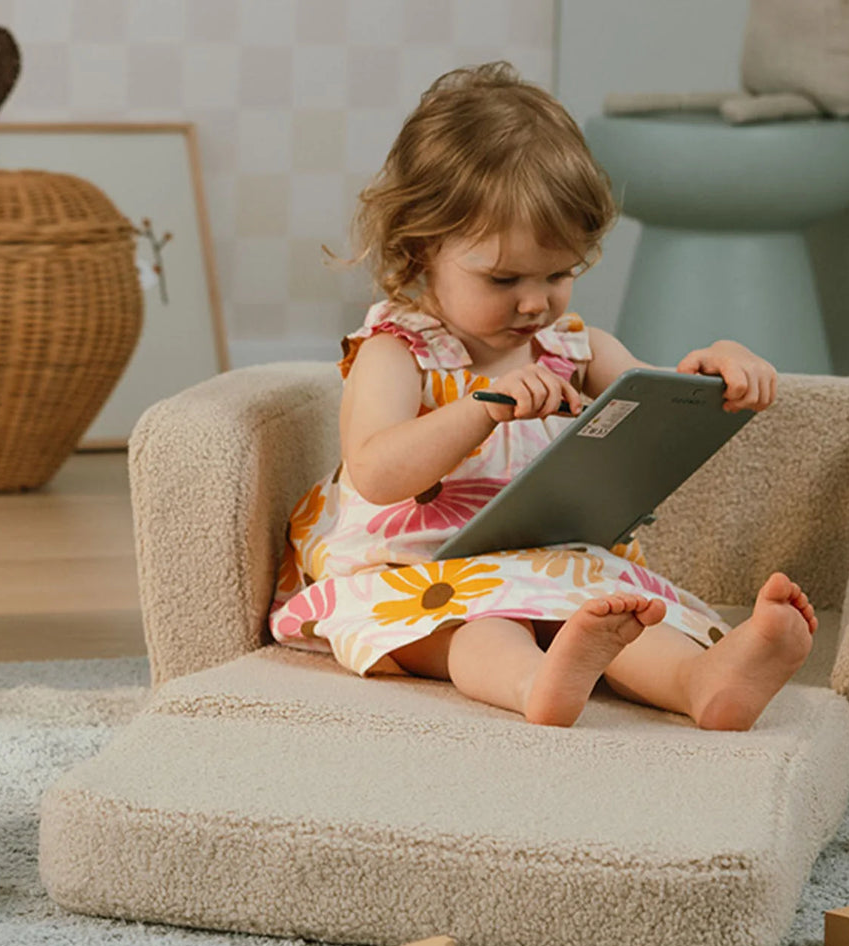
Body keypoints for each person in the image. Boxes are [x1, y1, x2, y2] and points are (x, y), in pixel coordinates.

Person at [269, 62, 817, 730]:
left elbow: (657, 406)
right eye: (504, 279)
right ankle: (536, 682)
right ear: (422, 248)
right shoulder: (398, 350)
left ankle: (701, 681)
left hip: (549, 564)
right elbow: (375, 471)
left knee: (615, 613)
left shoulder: (575, 349)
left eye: (559, 274)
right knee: (482, 625)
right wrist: (478, 409)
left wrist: (717, 373)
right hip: (416, 572)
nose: (536, 303)